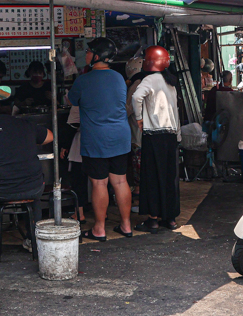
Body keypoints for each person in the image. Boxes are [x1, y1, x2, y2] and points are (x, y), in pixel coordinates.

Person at [67, 37, 133, 241]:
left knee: (99, 184)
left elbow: (73, 100)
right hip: (121, 137)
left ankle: (99, 229)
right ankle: (126, 225)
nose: (85, 54)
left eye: (89, 51)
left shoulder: (84, 80)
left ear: (97, 56)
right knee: (121, 181)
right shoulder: (119, 78)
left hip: (97, 138)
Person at [0, 109, 54, 251]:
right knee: (35, 200)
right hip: (33, 189)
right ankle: (34, 241)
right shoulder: (26, 124)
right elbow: (50, 136)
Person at [132, 46, 181, 233]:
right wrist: (178, 134)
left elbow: (137, 96)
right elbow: (175, 110)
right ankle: (170, 219)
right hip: (170, 136)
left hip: (153, 136)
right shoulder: (170, 81)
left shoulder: (149, 79)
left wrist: (139, 118)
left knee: (151, 177)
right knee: (170, 178)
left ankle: (153, 220)